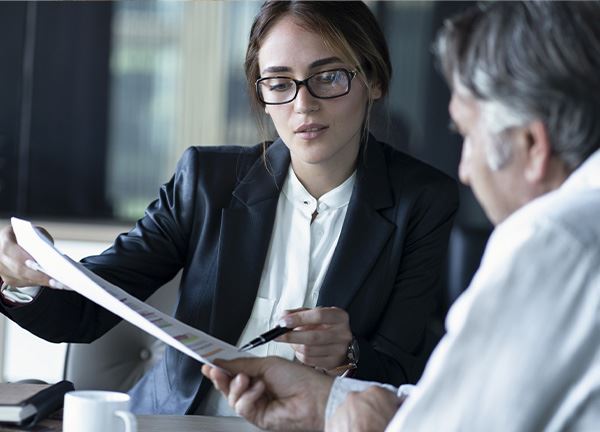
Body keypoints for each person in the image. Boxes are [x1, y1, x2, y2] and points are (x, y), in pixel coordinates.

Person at [0, 1, 458, 416]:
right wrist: (23, 280)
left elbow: (404, 370)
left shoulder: (422, 201)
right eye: (279, 83)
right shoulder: (206, 180)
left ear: (373, 80)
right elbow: (88, 308)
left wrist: (348, 355)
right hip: (176, 425)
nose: (304, 104)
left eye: (329, 76)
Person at [202, 1, 600, 430]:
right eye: (280, 83)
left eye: (467, 135)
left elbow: (451, 423)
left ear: (532, 145)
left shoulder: (552, 239)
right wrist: (327, 402)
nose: (465, 169)